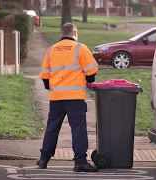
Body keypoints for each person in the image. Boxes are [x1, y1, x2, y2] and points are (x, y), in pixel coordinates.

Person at [37, 22, 99, 172]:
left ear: (61, 35)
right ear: (75, 34)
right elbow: (91, 70)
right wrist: (89, 81)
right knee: (78, 129)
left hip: (56, 97)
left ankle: (43, 159)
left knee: (52, 127)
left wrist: (52, 87)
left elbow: (45, 76)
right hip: (74, 97)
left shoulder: (51, 50)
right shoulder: (80, 48)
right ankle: (80, 163)